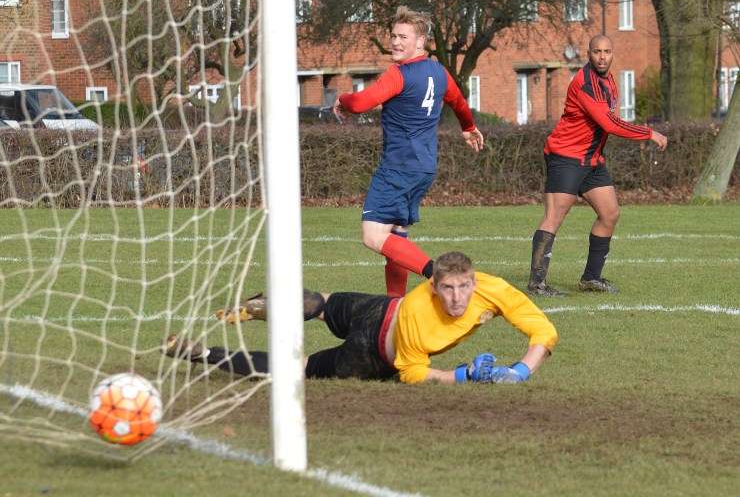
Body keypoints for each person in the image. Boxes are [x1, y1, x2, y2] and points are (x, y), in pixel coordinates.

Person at [163, 251, 558, 385]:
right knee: (299, 368)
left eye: (464, 287)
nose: (457, 297)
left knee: (323, 304)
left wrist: (521, 370)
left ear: (475, 281)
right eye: (448, 288)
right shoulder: (419, 310)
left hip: (379, 307)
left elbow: (542, 329)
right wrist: (463, 375)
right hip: (369, 353)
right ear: (433, 287)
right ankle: (205, 353)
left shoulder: (493, 288)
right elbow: (412, 373)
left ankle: (264, 305)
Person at [332, 6, 484, 298]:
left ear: (420, 41)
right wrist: (467, 126)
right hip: (423, 168)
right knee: (396, 235)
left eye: (403, 37)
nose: (396, 42)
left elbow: (360, 103)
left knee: (373, 235)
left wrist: (341, 98)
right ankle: (396, 305)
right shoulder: (439, 72)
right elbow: (458, 102)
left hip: (398, 169)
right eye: (393, 36)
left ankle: (437, 273)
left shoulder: (399, 74)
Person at [526, 34, 669, 297]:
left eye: (607, 52)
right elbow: (609, 124)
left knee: (610, 213)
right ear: (588, 54)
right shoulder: (585, 83)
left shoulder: (609, 80)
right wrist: (649, 133)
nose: (602, 57)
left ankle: (591, 278)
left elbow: (608, 119)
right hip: (566, 156)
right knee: (554, 217)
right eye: (597, 52)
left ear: (612, 53)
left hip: (591, 160)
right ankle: (536, 285)